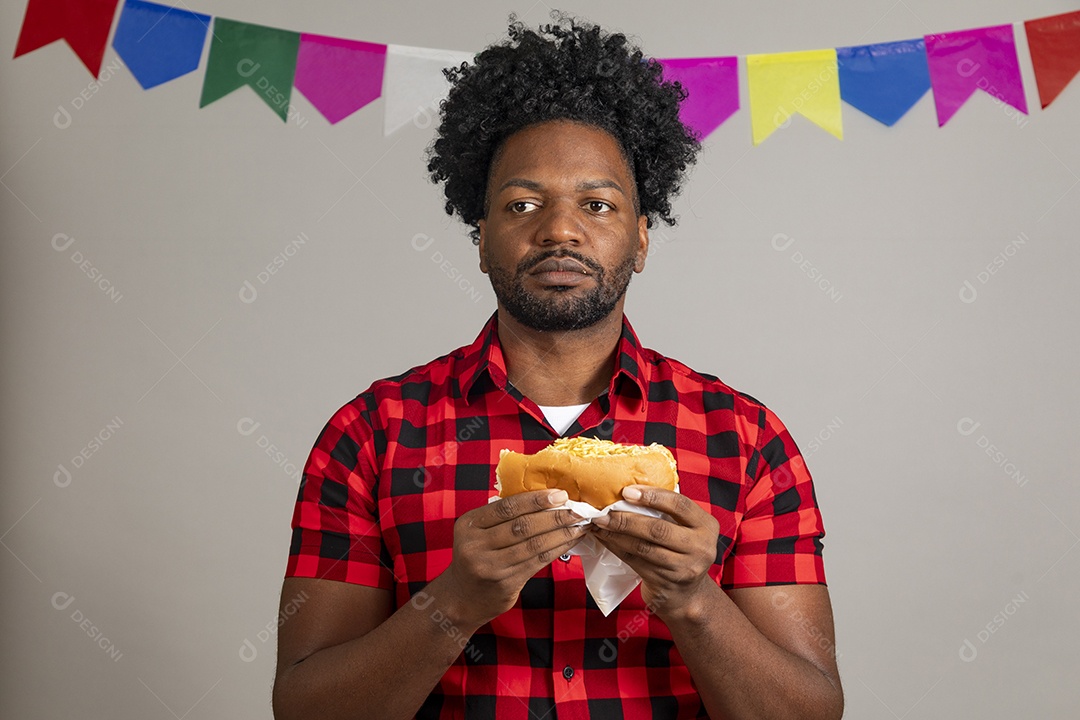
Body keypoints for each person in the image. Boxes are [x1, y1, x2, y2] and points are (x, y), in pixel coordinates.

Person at [272, 13, 843, 720]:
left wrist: (693, 600)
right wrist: (452, 604)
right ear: (481, 240)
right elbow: (305, 708)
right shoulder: (370, 436)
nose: (560, 230)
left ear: (640, 240)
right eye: (523, 204)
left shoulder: (748, 440)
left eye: (596, 205)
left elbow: (809, 711)